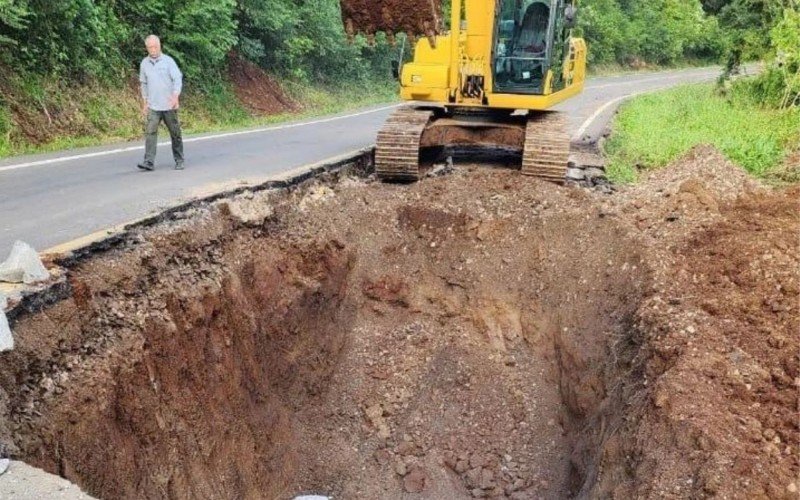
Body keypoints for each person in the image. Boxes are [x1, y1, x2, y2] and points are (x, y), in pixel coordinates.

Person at [137, 35, 184, 171]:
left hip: (169, 104)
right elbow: (143, 83)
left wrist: (175, 96)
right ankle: (149, 162)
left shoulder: (168, 61)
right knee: (150, 133)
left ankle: (179, 160)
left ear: (159, 46)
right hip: (153, 105)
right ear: (146, 48)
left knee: (175, 133)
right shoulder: (144, 63)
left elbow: (177, 79)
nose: (153, 49)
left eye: (155, 46)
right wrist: (145, 101)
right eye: (150, 47)